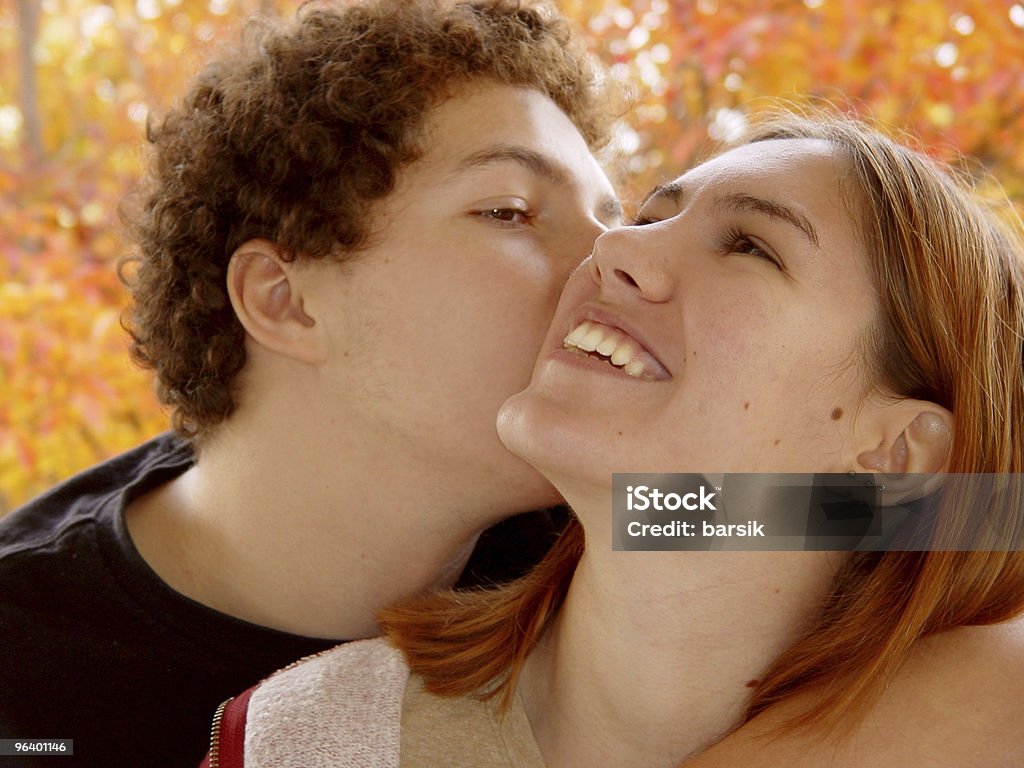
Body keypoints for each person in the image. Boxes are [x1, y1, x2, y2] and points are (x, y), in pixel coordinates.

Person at [212, 110, 1024, 767]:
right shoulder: (308, 738)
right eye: (647, 215)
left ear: (895, 458)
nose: (613, 246)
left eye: (750, 247)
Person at [0, 0, 624, 765]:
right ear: (284, 300)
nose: (618, 260)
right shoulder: (25, 673)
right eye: (510, 210)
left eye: (612, 220)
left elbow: (813, 514)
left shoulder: (623, 515)